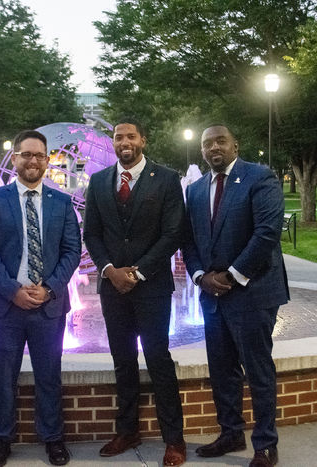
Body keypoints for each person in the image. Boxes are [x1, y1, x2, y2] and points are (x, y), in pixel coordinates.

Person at [182, 125, 289, 467]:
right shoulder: (197, 189)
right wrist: (200, 277)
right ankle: (231, 433)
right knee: (222, 370)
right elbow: (189, 240)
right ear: (201, 151)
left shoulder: (259, 177)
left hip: (253, 292)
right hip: (212, 295)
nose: (214, 147)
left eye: (220, 141)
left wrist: (231, 275)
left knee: (257, 370)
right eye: (207, 143)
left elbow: (267, 232)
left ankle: (265, 444)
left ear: (235, 145)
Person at [83, 117, 186, 467]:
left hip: (152, 287)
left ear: (143, 139)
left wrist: (138, 272)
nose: (124, 141)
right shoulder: (98, 182)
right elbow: (92, 234)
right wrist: (110, 271)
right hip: (113, 288)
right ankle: (127, 430)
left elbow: (173, 234)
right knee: (122, 361)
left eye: (130, 136)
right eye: (118, 137)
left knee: (158, 361)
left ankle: (174, 439)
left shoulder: (167, 179)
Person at [0, 130, 81, 467]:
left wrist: (49, 288)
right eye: (26, 155)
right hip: (3, 308)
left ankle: (53, 439)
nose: (32, 160)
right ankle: (1, 440)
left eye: (39, 155)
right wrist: (13, 291)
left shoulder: (62, 202)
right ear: (16, 159)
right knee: (3, 377)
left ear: (47, 160)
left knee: (49, 376)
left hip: (48, 307)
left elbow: (72, 251)